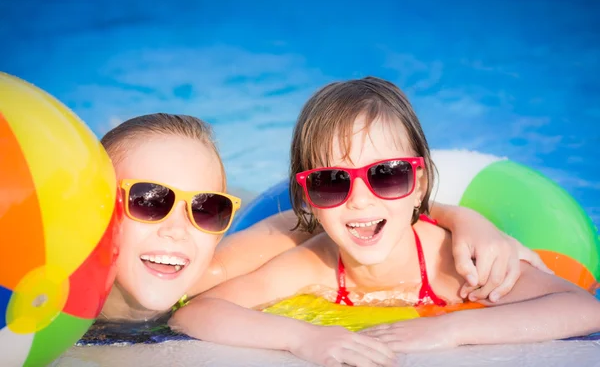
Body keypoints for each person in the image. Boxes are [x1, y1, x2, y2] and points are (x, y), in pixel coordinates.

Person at [169, 77, 600, 367]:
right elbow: (195, 312)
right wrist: (303, 338)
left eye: (386, 175)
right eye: (331, 182)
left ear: (419, 182)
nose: (359, 201)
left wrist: (451, 329)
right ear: (307, 198)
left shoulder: (451, 264)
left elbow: (582, 308)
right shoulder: (313, 263)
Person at [97, 112, 548, 323]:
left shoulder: (199, 270)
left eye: (208, 209)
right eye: (148, 200)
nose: (177, 228)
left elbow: (325, 220)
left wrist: (461, 219)